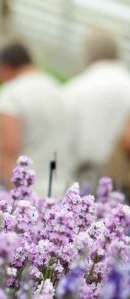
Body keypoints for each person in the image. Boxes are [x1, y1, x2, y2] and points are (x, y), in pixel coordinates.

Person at [0, 42, 71, 196]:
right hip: (57, 191)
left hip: (26, 199)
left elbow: (8, 152)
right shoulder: (58, 90)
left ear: (5, 68)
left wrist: (12, 201)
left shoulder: (11, 94)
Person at [64, 28, 130, 187]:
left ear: (87, 54)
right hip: (123, 178)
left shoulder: (74, 89)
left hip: (83, 177)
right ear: (116, 52)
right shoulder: (127, 84)